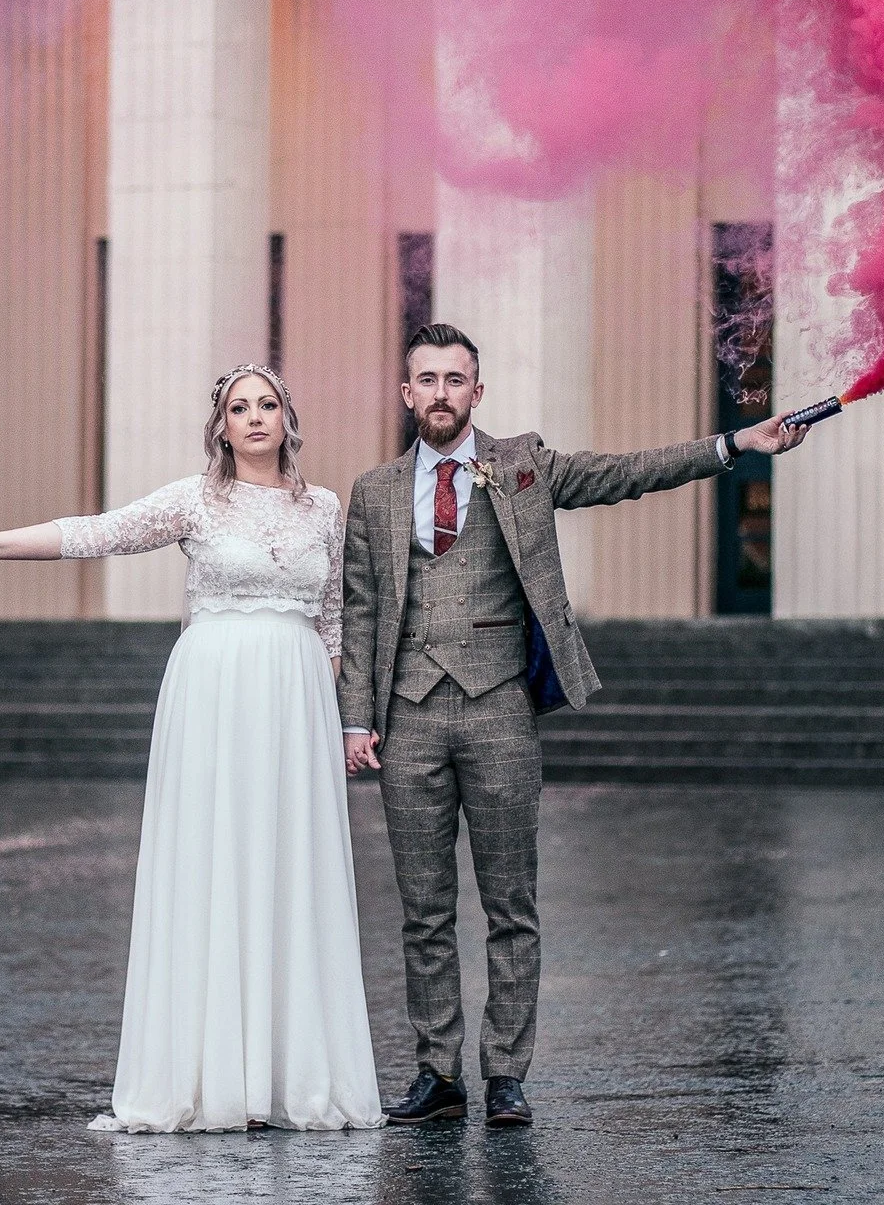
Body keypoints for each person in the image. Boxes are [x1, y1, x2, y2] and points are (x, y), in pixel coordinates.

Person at [339, 323, 811, 1129]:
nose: (443, 393)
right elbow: (360, 609)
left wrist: (736, 444)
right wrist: (354, 719)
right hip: (408, 715)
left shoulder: (521, 462)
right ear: (407, 392)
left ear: (477, 393)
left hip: (499, 710)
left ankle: (508, 1075)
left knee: (511, 904)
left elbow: (627, 473)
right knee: (423, 910)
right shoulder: (375, 491)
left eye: (458, 379)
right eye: (429, 379)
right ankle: (436, 1071)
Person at [0, 365, 383, 1134]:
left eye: (266, 404)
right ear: (221, 426)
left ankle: (292, 1075)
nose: (253, 418)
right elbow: (95, 532)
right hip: (212, 695)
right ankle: (205, 1076)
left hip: (296, 696)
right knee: (213, 863)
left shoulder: (326, 510)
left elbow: (335, 620)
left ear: (287, 417)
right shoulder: (194, 499)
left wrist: (340, 719)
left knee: (288, 866)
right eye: (238, 408)